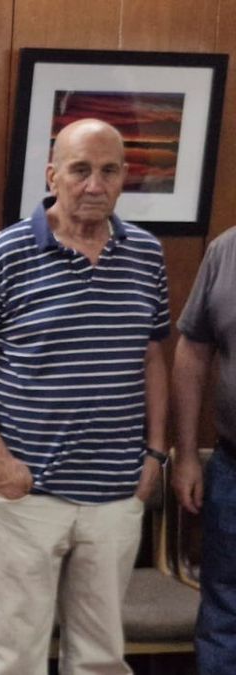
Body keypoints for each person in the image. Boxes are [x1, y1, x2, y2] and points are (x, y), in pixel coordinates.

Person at [0, 118, 170, 675]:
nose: (95, 185)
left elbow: (153, 357)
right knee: (14, 655)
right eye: (80, 170)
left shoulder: (145, 255)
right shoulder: (3, 255)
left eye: (109, 171)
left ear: (123, 179)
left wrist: (155, 454)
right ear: (53, 175)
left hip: (117, 493)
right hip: (29, 493)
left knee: (100, 656)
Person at [170, 226, 236, 673]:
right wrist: (188, 453)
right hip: (232, 467)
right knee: (224, 611)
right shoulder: (227, 250)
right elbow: (193, 352)